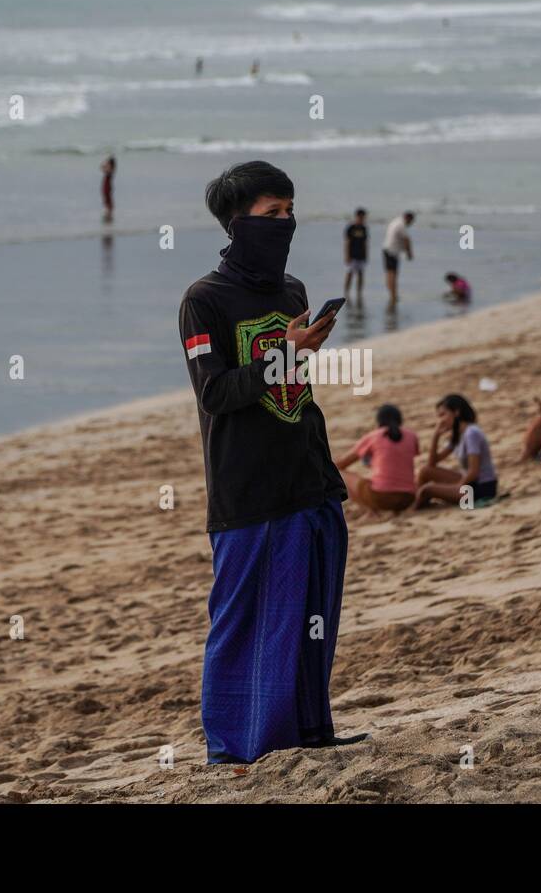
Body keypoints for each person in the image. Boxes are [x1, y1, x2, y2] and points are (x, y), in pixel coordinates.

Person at [177, 159, 361, 765]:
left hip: (308, 477)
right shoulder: (203, 301)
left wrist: (298, 354)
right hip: (246, 489)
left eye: (289, 212)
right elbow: (215, 393)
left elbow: (292, 389)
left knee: (312, 618)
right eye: (271, 214)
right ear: (236, 223)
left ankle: (306, 731)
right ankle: (235, 749)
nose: (285, 223)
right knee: (243, 625)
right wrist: (285, 352)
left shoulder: (293, 292)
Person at [414, 394, 498, 508]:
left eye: (443, 415)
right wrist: (436, 436)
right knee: (424, 471)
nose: (441, 421)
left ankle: (416, 508)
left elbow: (474, 472)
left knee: (426, 490)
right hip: (469, 482)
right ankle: (421, 504)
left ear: (456, 412)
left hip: (481, 488)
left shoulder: (471, 433)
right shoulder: (458, 434)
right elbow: (431, 464)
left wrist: (457, 486)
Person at [334, 405, 419, 516]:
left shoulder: (374, 436)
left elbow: (341, 464)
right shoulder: (412, 436)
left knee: (339, 473)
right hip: (408, 499)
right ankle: (391, 510)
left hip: (381, 497)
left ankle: (369, 510)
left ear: (379, 421)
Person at [381, 211, 414, 306]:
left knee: (389, 273)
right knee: (392, 274)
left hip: (387, 249)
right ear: (408, 218)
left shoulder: (395, 221)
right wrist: (409, 253)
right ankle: (393, 295)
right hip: (392, 251)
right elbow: (407, 240)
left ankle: (392, 294)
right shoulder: (401, 224)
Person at [343, 208, 369, 302]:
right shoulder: (351, 228)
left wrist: (366, 255)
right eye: (360, 217)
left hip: (361, 255)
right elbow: (347, 242)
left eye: (363, 218)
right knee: (350, 274)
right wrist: (347, 255)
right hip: (352, 255)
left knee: (361, 274)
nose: (362, 219)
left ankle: (359, 292)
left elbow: (366, 242)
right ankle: (346, 292)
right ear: (357, 216)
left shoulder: (364, 228)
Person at [100, 155, 116, 224]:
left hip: (107, 186)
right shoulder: (111, 168)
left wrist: (105, 163)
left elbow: (102, 168)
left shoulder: (111, 169)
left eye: (109, 162)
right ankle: (108, 214)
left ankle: (109, 214)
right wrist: (106, 163)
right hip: (106, 185)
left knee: (108, 200)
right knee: (107, 199)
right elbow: (102, 168)